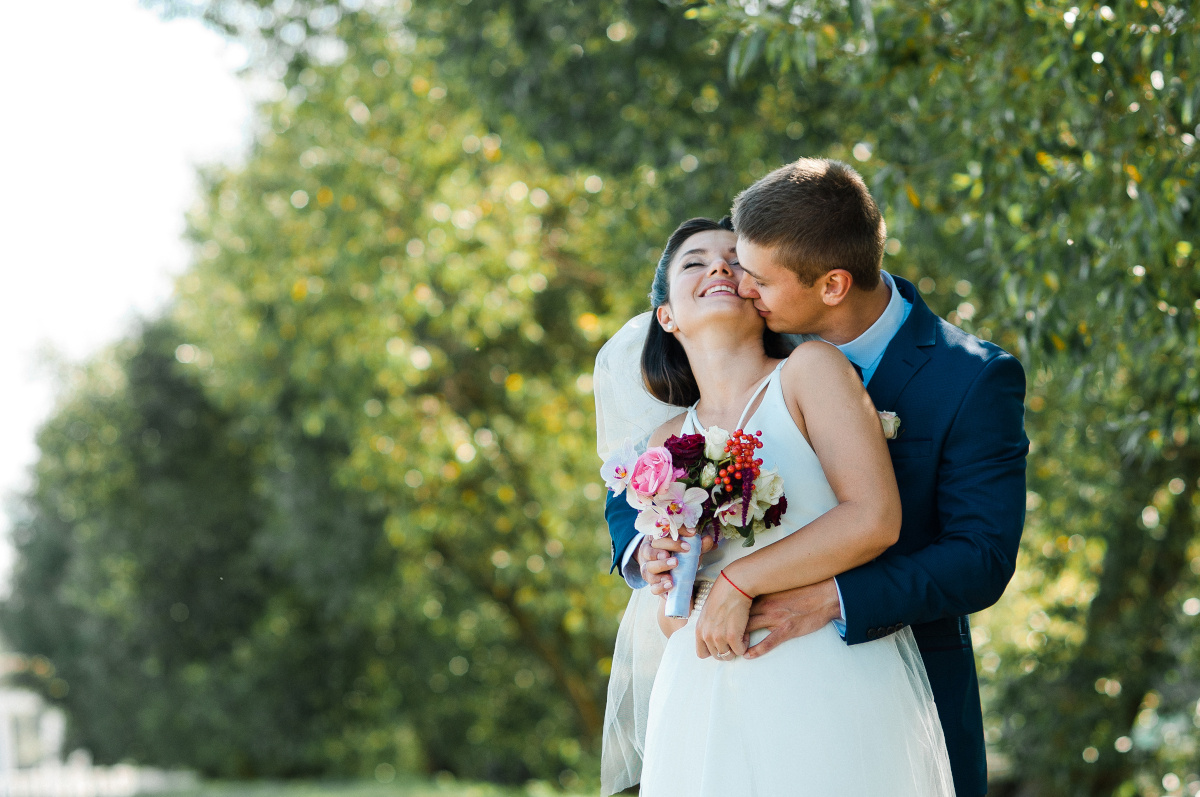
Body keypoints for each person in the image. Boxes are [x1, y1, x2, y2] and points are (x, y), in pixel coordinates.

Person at [600, 159, 1028, 797]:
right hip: (720, 676)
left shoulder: (966, 377)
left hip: (877, 673)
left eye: (751, 274)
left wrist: (827, 598)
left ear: (829, 286)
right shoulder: (760, 322)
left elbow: (980, 557)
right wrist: (651, 553)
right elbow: (632, 486)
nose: (738, 281)